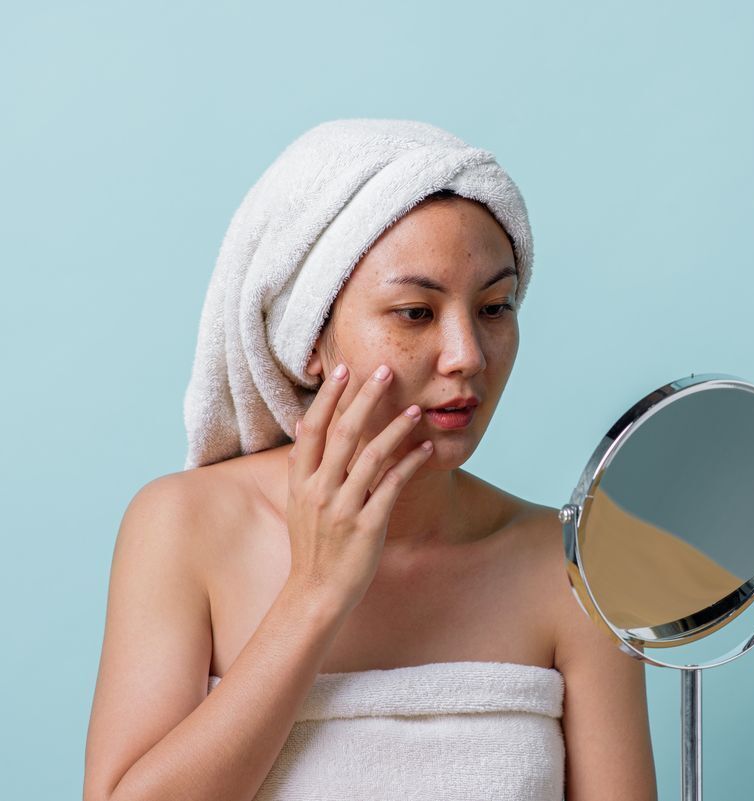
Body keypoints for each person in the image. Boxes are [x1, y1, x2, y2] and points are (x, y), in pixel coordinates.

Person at [83, 120, 657, 801]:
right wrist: (315, 592)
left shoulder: (574, 567)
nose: (467, 354)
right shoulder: (185, 527)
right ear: (309, 344)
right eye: (415, 312)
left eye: (495, 307)